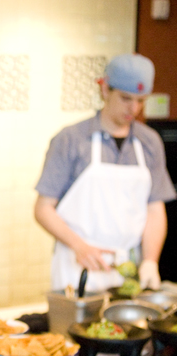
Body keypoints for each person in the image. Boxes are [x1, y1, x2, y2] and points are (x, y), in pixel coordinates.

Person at [34, 53, 176, 292]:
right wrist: (79, 247)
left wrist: (151, 260)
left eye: (141, 100)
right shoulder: (71, 140)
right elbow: (43, 209)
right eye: (125, 98)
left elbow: (155, 209)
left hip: (129, 271)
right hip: (78, 267)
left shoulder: (150, 142)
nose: (134, 108)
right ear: (104, 90)